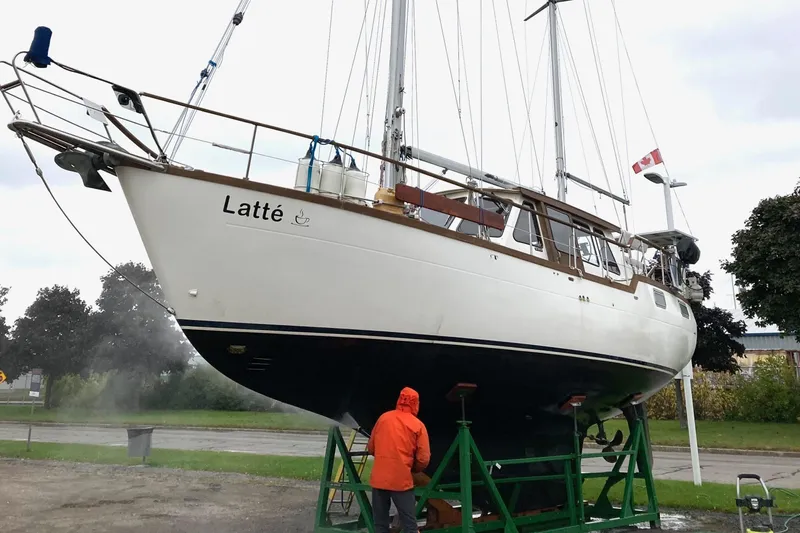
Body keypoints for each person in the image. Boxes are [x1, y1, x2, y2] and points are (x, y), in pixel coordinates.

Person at [367, 386, 431, 533]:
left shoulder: (383, 418)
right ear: (416, 403)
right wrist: (413, 469)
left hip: (379, 480)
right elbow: (423, 458)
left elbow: (371, 448)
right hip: (401, 481)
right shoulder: (418, 425)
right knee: (409, 525)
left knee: (380, 524)